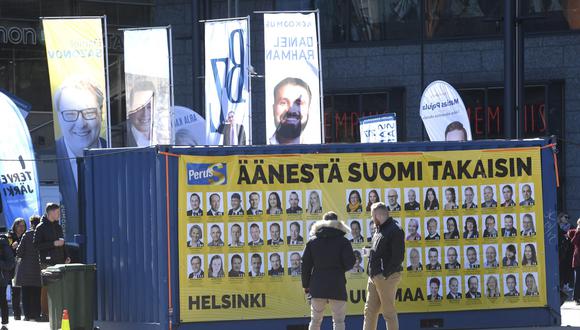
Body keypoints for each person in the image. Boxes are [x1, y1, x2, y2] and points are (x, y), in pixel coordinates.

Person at [54, 77, 106, 233]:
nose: (80, 124)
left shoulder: (119, 155)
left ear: (101, 112)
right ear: (58, 116)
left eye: (89, 112)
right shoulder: (49, 159)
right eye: (70, 114)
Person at [302, 211, 355, 330]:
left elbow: (305, 266)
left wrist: (306, 285)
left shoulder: (312, 242)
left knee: (315, 321)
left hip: (317, 286)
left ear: (322, 223)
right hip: (337, 285)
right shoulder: (344, 242)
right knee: (339, 321)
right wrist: (339, 269)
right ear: (337, 224)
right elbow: (350, 263)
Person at [362, 202, 404, 330]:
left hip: (386, 277)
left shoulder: (395, 230)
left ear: (378, 215)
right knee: (369, 311)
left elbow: (398, 257)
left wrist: (384, 274)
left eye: (371, 216)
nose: (371, 218)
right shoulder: (379, 229)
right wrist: (370, 251)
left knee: (388, 313)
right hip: (374, 276)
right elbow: (380, 251)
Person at [34, 203, 70, 321]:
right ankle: (45, 314)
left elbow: (63, 242)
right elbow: (36, 245)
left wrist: (67, 256)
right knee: (46, 288)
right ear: (51, 212)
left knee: (60, 288)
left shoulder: (58, 227)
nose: (59, 214)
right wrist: (53, 244)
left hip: (60, 261)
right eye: (57, 212)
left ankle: (58, 312)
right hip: (46, 263)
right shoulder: (40, 227)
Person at [269, 77, 312, 144]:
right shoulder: (262, 152)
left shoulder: (316, 152)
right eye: (283, 103)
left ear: (309, 109)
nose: (291, 110)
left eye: (299, 103)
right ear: (273, 109)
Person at [15, 215, 42, 321]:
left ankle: (27, 315)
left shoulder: (27, 234)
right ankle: (36, 314)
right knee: (36, 293)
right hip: (38, 269)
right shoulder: (42, 234)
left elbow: (19, 252)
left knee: (26, 294)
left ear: (31, 224)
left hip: (26, 270)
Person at [8, 218, 26, 320]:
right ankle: (17, 314)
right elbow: (4, 252)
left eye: (23, 226)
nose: (21, 228)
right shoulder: (10, 237)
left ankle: (27, 313)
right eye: (19, 226)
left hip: (24, 266)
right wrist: (11, 248)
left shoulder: (26, 236)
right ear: (15, 226)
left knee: (25, 290)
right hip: (13, 267)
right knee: (15, 291)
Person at [126, 79, 154, 147]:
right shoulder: (117, 139)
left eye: (149, 107)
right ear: (130, 109)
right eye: (139, 107)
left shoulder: (167, 136)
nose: (145, 114)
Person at [0, 232, 15, 329]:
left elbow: (10, 263)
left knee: (2, 299)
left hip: (1, 278)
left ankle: (4, 323)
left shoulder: (3, 243)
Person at [567, 219, 580, 304]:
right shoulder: (576, 233)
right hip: (578, 260)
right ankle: (576, 297)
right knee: (578, 279)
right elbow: (574, 241)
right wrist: (577, 232)